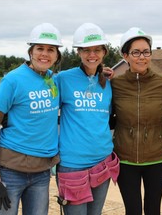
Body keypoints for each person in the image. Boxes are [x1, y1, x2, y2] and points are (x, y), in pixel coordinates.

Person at [0, 22, 62, 215]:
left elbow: (82, 79)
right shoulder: (13, 80)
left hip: (42, 172)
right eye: (39, 48)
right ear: (30, 52)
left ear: (57, 55)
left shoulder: (53, 79)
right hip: (9, 171)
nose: (45, 54)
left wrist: (101, 74)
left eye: (51, 49)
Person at [55, 22, 119, 215]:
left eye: (97, 50)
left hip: (102, 161)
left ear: (104, 52)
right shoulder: (63, 79)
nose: (92, 55)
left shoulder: (106, 82)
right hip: (72, 165)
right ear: (78, 52)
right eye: (86, 50)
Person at [110, 27, 162, 215]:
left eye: (146, 52)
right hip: (125, 159)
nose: (141, 57)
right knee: (133, 211)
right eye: (136, 52)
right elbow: (103, 116)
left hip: (157, 158)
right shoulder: (115, 85)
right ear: (125, 56)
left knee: (153, 210)